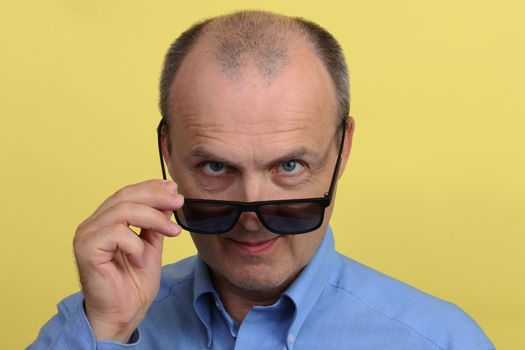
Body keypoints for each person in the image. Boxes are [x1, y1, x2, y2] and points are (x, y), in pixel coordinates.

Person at [28, 10, 494, 349]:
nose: (252, 215)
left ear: (343, 149)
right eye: (215, 167)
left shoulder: (442, 341)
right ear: (168, 151)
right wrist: (107, 331)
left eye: (289, 167)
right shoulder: (87, 328)